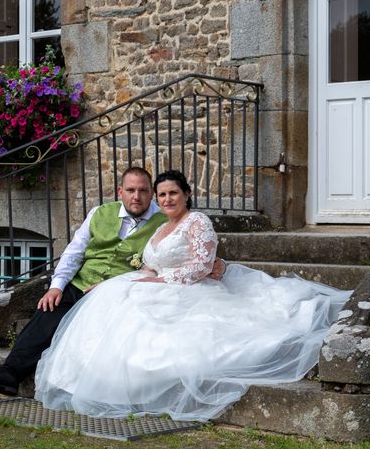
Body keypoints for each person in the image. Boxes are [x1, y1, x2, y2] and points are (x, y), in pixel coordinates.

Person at [34, 170, 352, 421]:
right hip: (159, 285)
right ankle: (93, 378)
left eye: (173, 193)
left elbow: (201, 265)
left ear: (186, 194)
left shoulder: (197, 221)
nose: (168, 198)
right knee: (113, 305)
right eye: (162, 194)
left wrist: (161, 281)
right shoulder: (161, 227)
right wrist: (139, 278)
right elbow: (150, 263)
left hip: (192, 290)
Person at [0, 167, 226, 396]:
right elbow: (74, 252)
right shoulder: (100, 213)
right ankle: (8, 373)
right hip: (82, 283)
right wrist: (56, 285)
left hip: (116, 291)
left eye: (144, 191)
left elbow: (193, 250)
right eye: (131, 190)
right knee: (48, 309)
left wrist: (220, 264)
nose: (137, 196)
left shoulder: (166, 219)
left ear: (151, 195)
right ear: (120, 191)